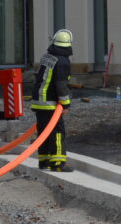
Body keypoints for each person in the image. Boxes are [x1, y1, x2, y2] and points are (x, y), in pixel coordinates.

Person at [31, 28, 74, 171]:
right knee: (57, 132)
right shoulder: (62, 62)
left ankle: (44, 162)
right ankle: (58, 164)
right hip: (50, 103)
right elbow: (61, 85)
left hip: (39, 101)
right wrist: (66, 104)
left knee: (43, 132)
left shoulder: (47, 57)